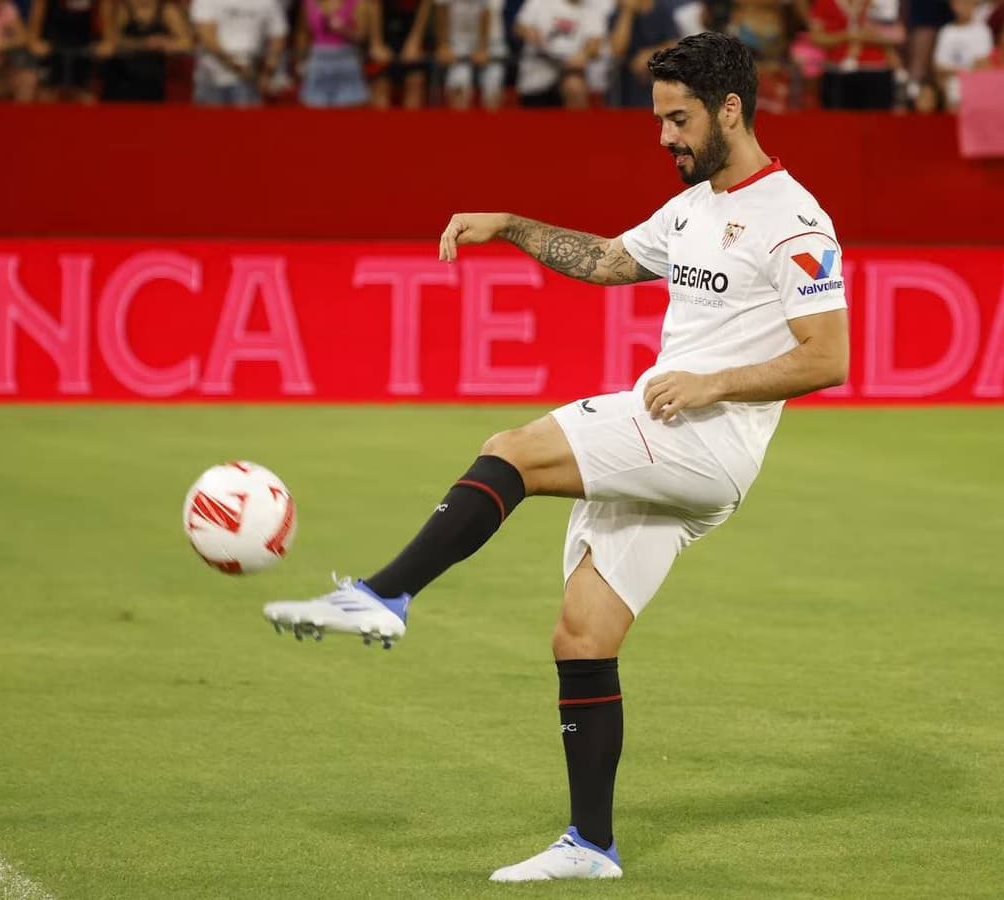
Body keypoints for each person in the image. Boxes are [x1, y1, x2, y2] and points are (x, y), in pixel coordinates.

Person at [264, 31, 849, 883]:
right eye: (659, 120)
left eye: (678, 119)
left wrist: (711, 383)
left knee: (515, 450)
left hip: (702, 436)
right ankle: (591, 844)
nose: (665, 138)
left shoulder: (793, 219)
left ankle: (384, 595)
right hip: (682, 449)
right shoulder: (692, 211)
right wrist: (508, 224)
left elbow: (827, 356)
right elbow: (610, 260)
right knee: (582, 635)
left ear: (732, 109)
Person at [191, 0, 287, 106]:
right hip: (212, 73)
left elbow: (278, 36)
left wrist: (267, 72)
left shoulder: (269, 2)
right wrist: (237, 67)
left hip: (249, 76)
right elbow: (207, 38)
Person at [99, 0, 191, 102]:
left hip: (152, 81)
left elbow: (187, 43)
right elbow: (112, 40)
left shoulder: (167, 10)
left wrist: (166, 43)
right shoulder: (124, 8)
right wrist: (142, 44)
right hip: (120, 80)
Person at [933, 0, 992, 109]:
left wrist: (955, 71)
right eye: (961, 3)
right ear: (953, 5)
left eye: (968, 3)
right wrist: (966, 70)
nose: (965, 7)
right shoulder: (946, 31)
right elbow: (938, 68)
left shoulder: (983, 31)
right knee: (952, 88)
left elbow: (983, 65)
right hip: (950, 83)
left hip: (975, 83)